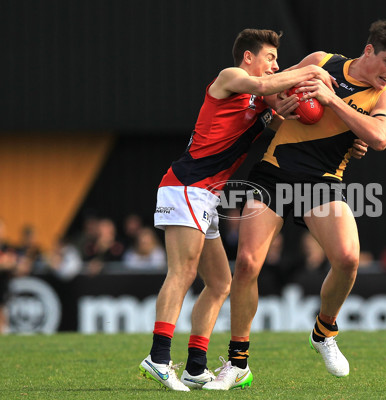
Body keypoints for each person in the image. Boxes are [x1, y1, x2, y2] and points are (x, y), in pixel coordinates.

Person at [203, 20, 386, 390]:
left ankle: (324, 331)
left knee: (348, 259)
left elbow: (380, 138)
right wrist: (282, 106)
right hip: (274, 172)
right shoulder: (323, 61)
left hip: (322, 183)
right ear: (369, 51)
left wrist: (333, 102)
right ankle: (238, 364)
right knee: (249, 263)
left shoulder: (384, 98)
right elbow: (269, 93)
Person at [138, 28, 339, 391]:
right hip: (187, 186)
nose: (274, 65)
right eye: (270, 58)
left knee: (219, 283)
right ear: (249, 57)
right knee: (182, 273)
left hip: (207, 196)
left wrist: (345, 142)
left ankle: (196, 366)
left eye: (277, 60)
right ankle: (158, 357)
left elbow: (287, 120)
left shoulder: (261, 102)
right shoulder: (230, 78)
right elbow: (266, 88)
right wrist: (311, 71)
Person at [0, 217, 18, 334]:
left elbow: (11, 263)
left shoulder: (7, 247)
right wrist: (1, 263)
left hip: (2, 283)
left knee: (0, 308)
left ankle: (3, 332)